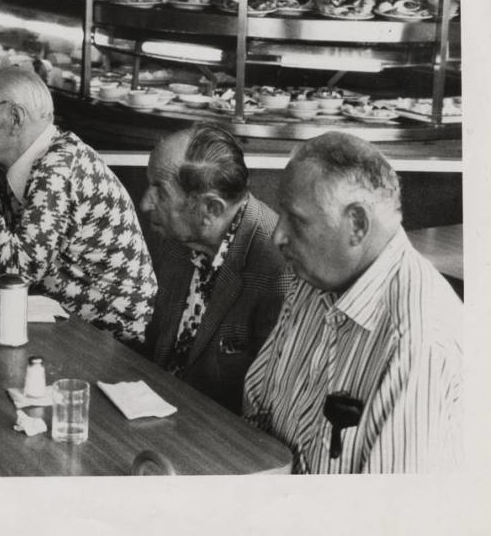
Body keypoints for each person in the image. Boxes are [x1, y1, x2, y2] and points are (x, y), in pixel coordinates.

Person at [243, 132, 462, 473]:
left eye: (296, 220)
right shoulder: (314, 279)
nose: (277, 235)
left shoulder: (418, 342)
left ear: (357, 224)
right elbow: (258, 404)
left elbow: (390, 516)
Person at [0, 67, 156, 345]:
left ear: (15, 118)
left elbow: (15, 276)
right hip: (55, 322)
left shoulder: (60, 165)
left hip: (109, 338)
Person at [140, 125, 291, 414]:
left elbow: (266, 412)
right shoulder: (180, 238)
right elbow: (153, 351)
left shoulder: (278, 270)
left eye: (160, 191)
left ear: (210, 209)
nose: (146, 202)